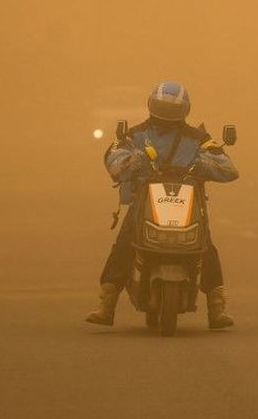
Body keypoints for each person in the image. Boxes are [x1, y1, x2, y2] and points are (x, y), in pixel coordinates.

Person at [85, 81, 239, 329]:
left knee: (205, 247)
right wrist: (132, 160)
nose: (166, 114)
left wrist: (203, 165)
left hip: (188, 205)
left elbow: (229, 168)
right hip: (144, 204)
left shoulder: (199, 139)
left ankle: (216, 307)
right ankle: (107, 304)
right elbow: (114, 159)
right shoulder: (134, 136)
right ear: (151, 106)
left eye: (172, 109)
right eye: (162, 107)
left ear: (184, 110)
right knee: (124, 244)